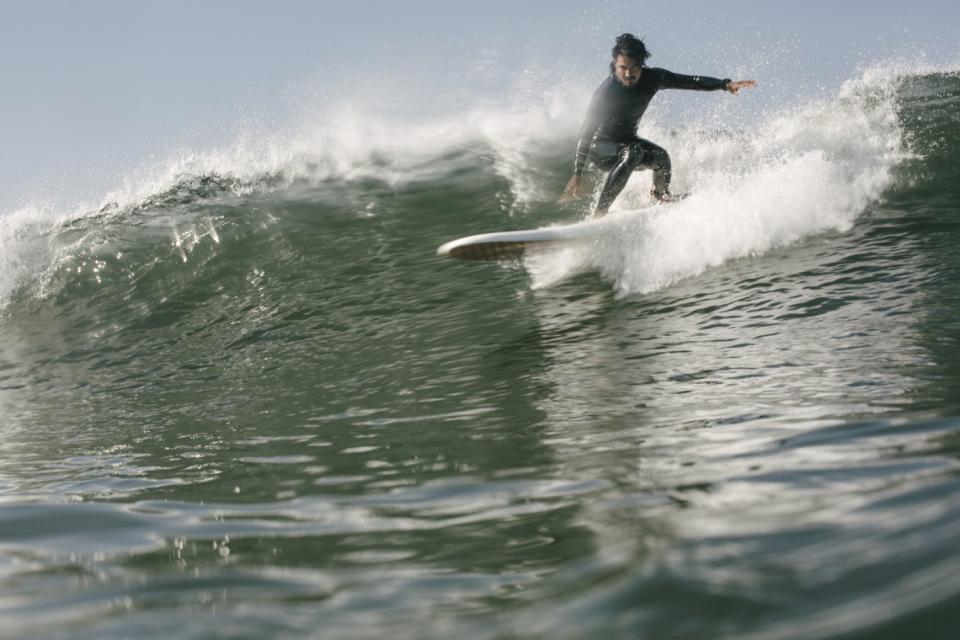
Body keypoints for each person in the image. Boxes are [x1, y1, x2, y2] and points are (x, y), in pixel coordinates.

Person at [559, 33, 756, 216]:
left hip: (627, 142)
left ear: (642, 65)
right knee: (633, 151)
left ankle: (661, 195)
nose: (628, 73)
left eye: (634, 67)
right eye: (623, 67)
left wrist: (724, 84)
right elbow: (586, 133)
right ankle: (599, 214)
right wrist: (577, 174)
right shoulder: (606, 92)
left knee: (661, 157)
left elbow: (692, 82)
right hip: (600, 147)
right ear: (615, 64)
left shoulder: (653, 78)